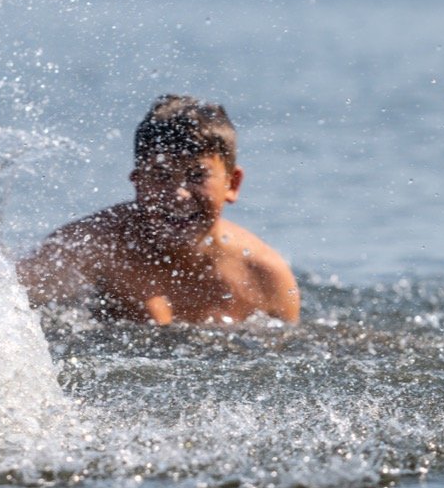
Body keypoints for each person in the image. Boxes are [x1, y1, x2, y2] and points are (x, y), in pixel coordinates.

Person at [17, 95, 300, 324]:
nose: (177, 194)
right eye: (161, 176)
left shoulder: (264, 277)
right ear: (137, 182)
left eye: (197, 175)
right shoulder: (95, 245)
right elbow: (2, 300)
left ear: (232, 183)